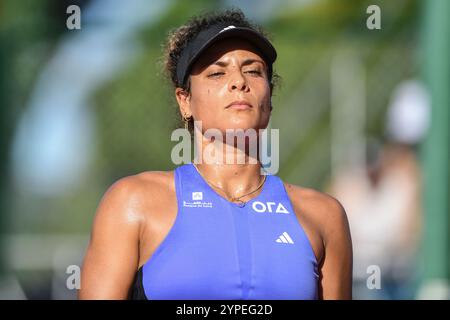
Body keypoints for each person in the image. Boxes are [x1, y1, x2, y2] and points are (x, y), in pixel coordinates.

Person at [78, 9, 352, 300]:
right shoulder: (132, 202)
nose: (238, 82)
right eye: (217, 73)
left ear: (269, 99)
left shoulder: (323, 216)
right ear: (185, 102)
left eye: (253, 70)